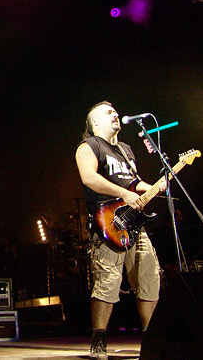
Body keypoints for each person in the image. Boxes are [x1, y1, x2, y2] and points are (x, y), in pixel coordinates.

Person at [75, 101, 163, 359]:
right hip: (108, 223)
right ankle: (98, 340)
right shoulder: (89, 146)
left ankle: (150, 339)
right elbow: (89, 178)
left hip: (136, 223)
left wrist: (157, 186)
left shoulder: (125, 150)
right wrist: (124, 192)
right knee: (108, 282)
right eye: (107, 112)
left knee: (149, 278)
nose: (114, 113)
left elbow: (134, 183)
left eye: (114, 110)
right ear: (95, 123)